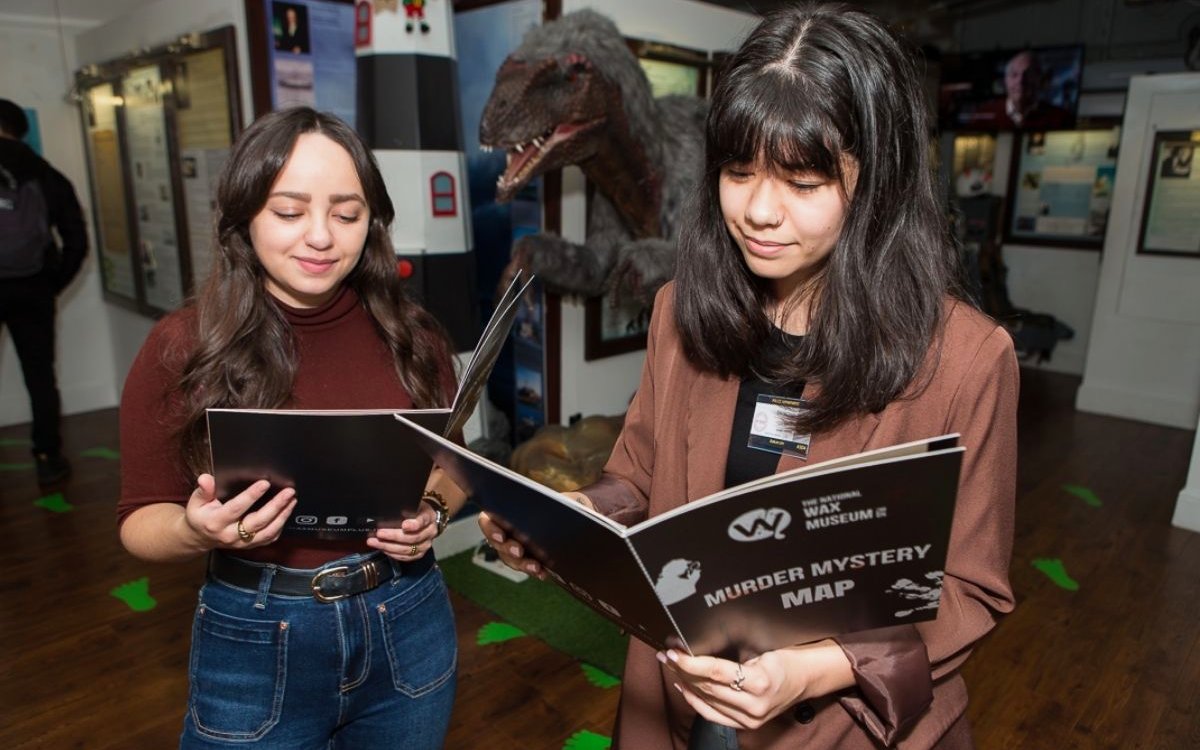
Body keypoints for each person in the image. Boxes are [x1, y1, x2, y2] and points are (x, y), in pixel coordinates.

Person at [480, 4, 1018, 749]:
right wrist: (567, 525)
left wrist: (817, 667)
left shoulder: (965, 358)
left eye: (801, 182)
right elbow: (638, 478)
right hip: (683, 695)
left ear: (877, 181)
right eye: (739, 172)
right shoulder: (681, 310)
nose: (759, 211)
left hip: (842, 725)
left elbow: (969, 588)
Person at [118, 107, 465, 749]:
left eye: (346, 212)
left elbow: (453, 470)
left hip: (408, 617)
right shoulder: (182, 345)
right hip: (254, 633)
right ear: (245, 216)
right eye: (288, 211)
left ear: (373, 221)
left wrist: (433, 515)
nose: (321, 237)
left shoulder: (413, 336)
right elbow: (139, 523)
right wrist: (195, 528)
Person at [0, 98, 88, 485]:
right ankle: (48, 454)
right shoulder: (44, 172)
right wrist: (51, 283)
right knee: (40, 376)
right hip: (33, 288)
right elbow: (77, 239)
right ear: (21, 129)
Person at [973, 49, 1072, 130]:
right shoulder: (983, 114)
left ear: (1040, 80)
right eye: (1014, 75)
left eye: (1028, 75)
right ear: (1005, 81)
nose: (1020, 81)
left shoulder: (1061, 118)